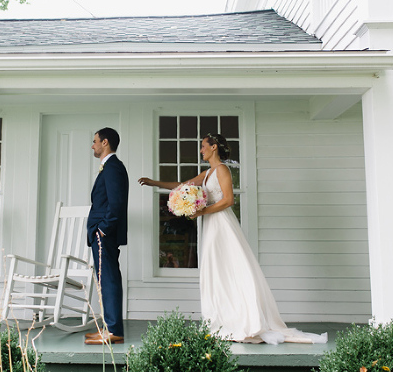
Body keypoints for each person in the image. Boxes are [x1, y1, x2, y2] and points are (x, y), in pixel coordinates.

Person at [139, 133, 326, 345]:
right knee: (215, 270)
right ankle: (222, 319)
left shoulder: (222, 170)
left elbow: (228, 200)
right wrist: (154, 182)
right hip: (210, 225)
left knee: (230, 268)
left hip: (222, 224)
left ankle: (244, 319)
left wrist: (201, 211)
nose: (201, 150)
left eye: (203, 146)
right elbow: (182, 185)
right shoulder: (208, 173)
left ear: (214, 147)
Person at [85, 127, 129, 345]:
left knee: (109, 280)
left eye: (95, 141)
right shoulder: (109, 167)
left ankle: (113, 331)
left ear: (105, 142)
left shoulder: (113, 168)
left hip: (104, 234)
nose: (92, 145)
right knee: (105, 280)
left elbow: (116, 204)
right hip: (102, 234)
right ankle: (108, 327)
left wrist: (102, 229)